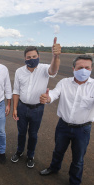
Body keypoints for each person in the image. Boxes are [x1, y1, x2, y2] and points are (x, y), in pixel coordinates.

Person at [39, 55, 94, 185]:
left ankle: (75, 181)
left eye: (87, 67)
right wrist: (48, 98)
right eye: (80, 67)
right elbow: (54, 93)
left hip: (83, 129)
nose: (84, 70)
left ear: (91, 69)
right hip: (63, 126)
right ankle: (54, 168)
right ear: (73, 68)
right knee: (58, 150)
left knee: (78, 158)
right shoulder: (64, 82)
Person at [11, 37, 61, 168]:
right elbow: (16, 91)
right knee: (21, 132)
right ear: (25, 58)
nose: (31, 59)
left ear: (38, 56)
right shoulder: (19, 72)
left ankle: (30, 155)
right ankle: (19, 151)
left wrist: (55, 57)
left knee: (33, 134)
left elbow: (53, 70)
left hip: (37, 109)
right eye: (28, 57)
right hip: (22, 107)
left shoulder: (44, 69)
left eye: (34, 56)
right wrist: (15, 108)